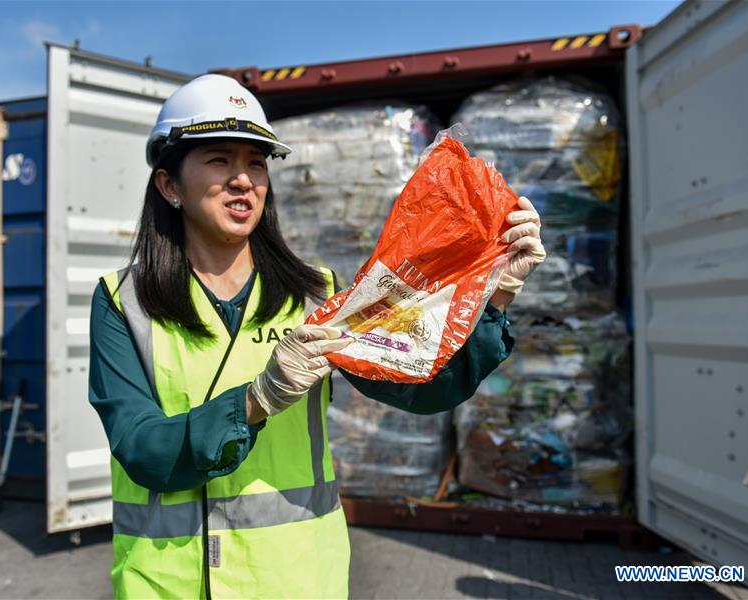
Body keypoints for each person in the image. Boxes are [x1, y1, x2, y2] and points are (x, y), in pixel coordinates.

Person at [88, 74, 546, 599]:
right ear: (169, 185)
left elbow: (421, 388)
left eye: (256, 164)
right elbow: (141, 448)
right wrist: (258, 400)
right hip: (166, 586)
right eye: (219, 160)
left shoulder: (315, 295)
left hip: (296, 579)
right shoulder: (125, 302)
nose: (244, 180)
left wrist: (496, 292)